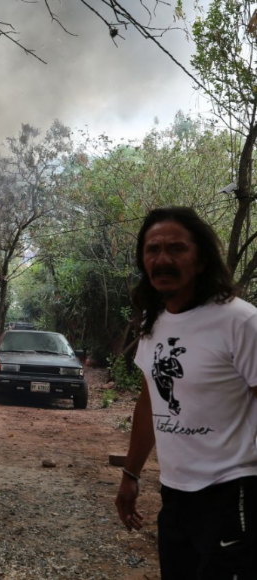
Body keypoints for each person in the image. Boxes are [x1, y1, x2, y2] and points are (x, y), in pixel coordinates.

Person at [115, 206, 257, 579]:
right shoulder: (153, 321)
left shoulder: (240, 321)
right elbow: (149, 401)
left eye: (176, 248)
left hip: (233, 491)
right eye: (152, 249)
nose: (162, 259)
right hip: (174, 494)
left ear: (200, 260)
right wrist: (131, 473)